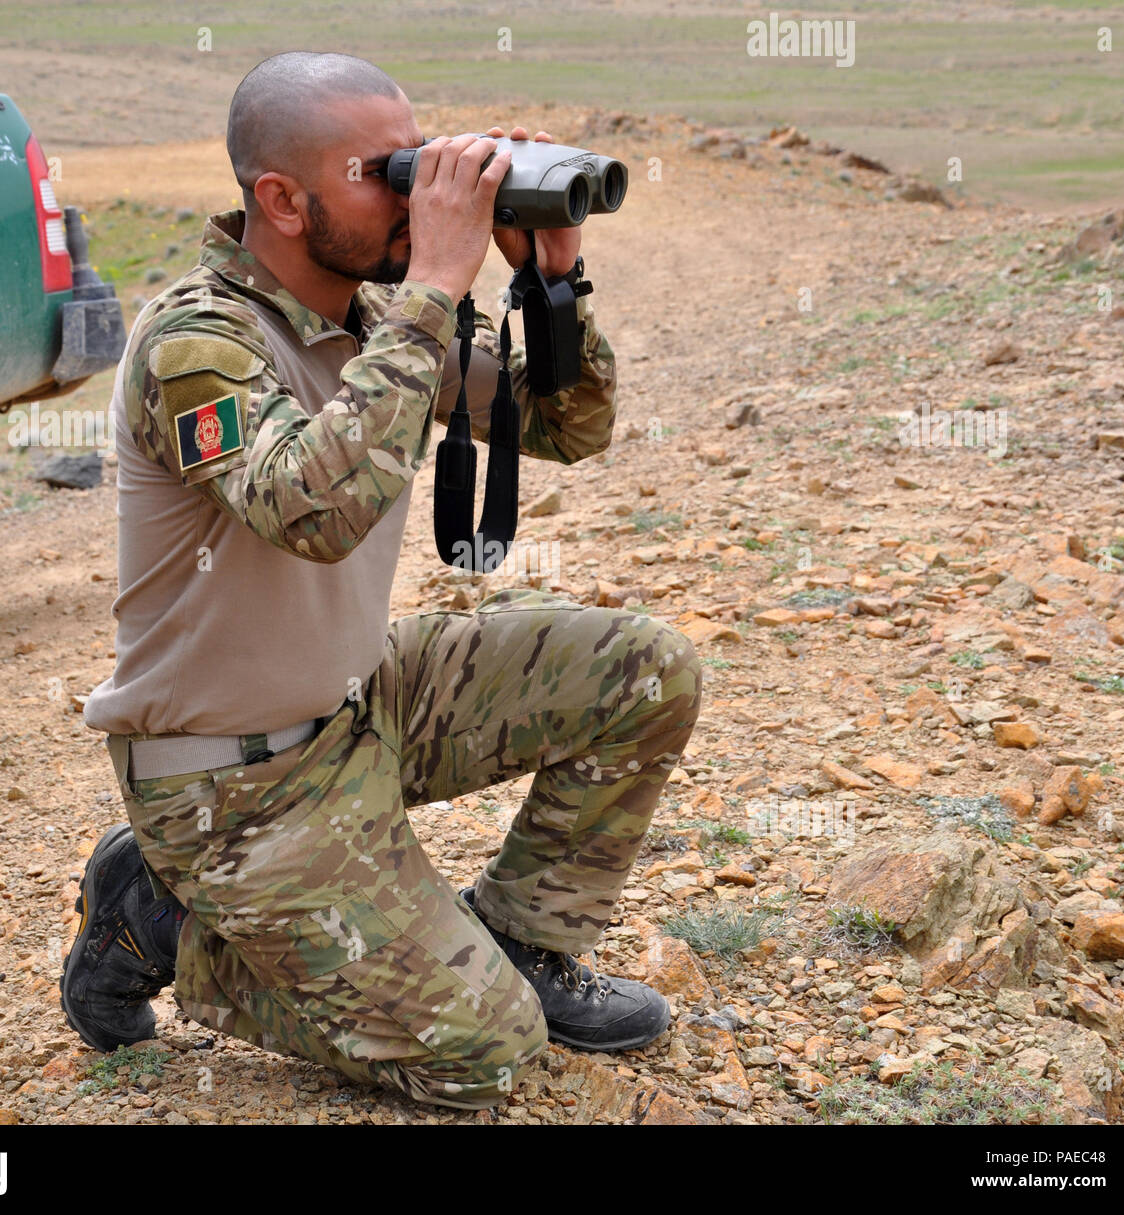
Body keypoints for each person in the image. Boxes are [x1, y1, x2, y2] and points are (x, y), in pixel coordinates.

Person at [64, 51, 702, 1111]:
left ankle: (522, 943)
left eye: (420, 157)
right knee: (484, 1053)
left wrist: (550, 275)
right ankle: (160, 924)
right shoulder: (200, 340)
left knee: (645, 670)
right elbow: (313, 511)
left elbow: (566, 425)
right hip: (232, 787)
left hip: (363, 705)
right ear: (279, 198)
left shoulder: (372, 317)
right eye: (384, 170)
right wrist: (437, 288)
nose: (418, 191)